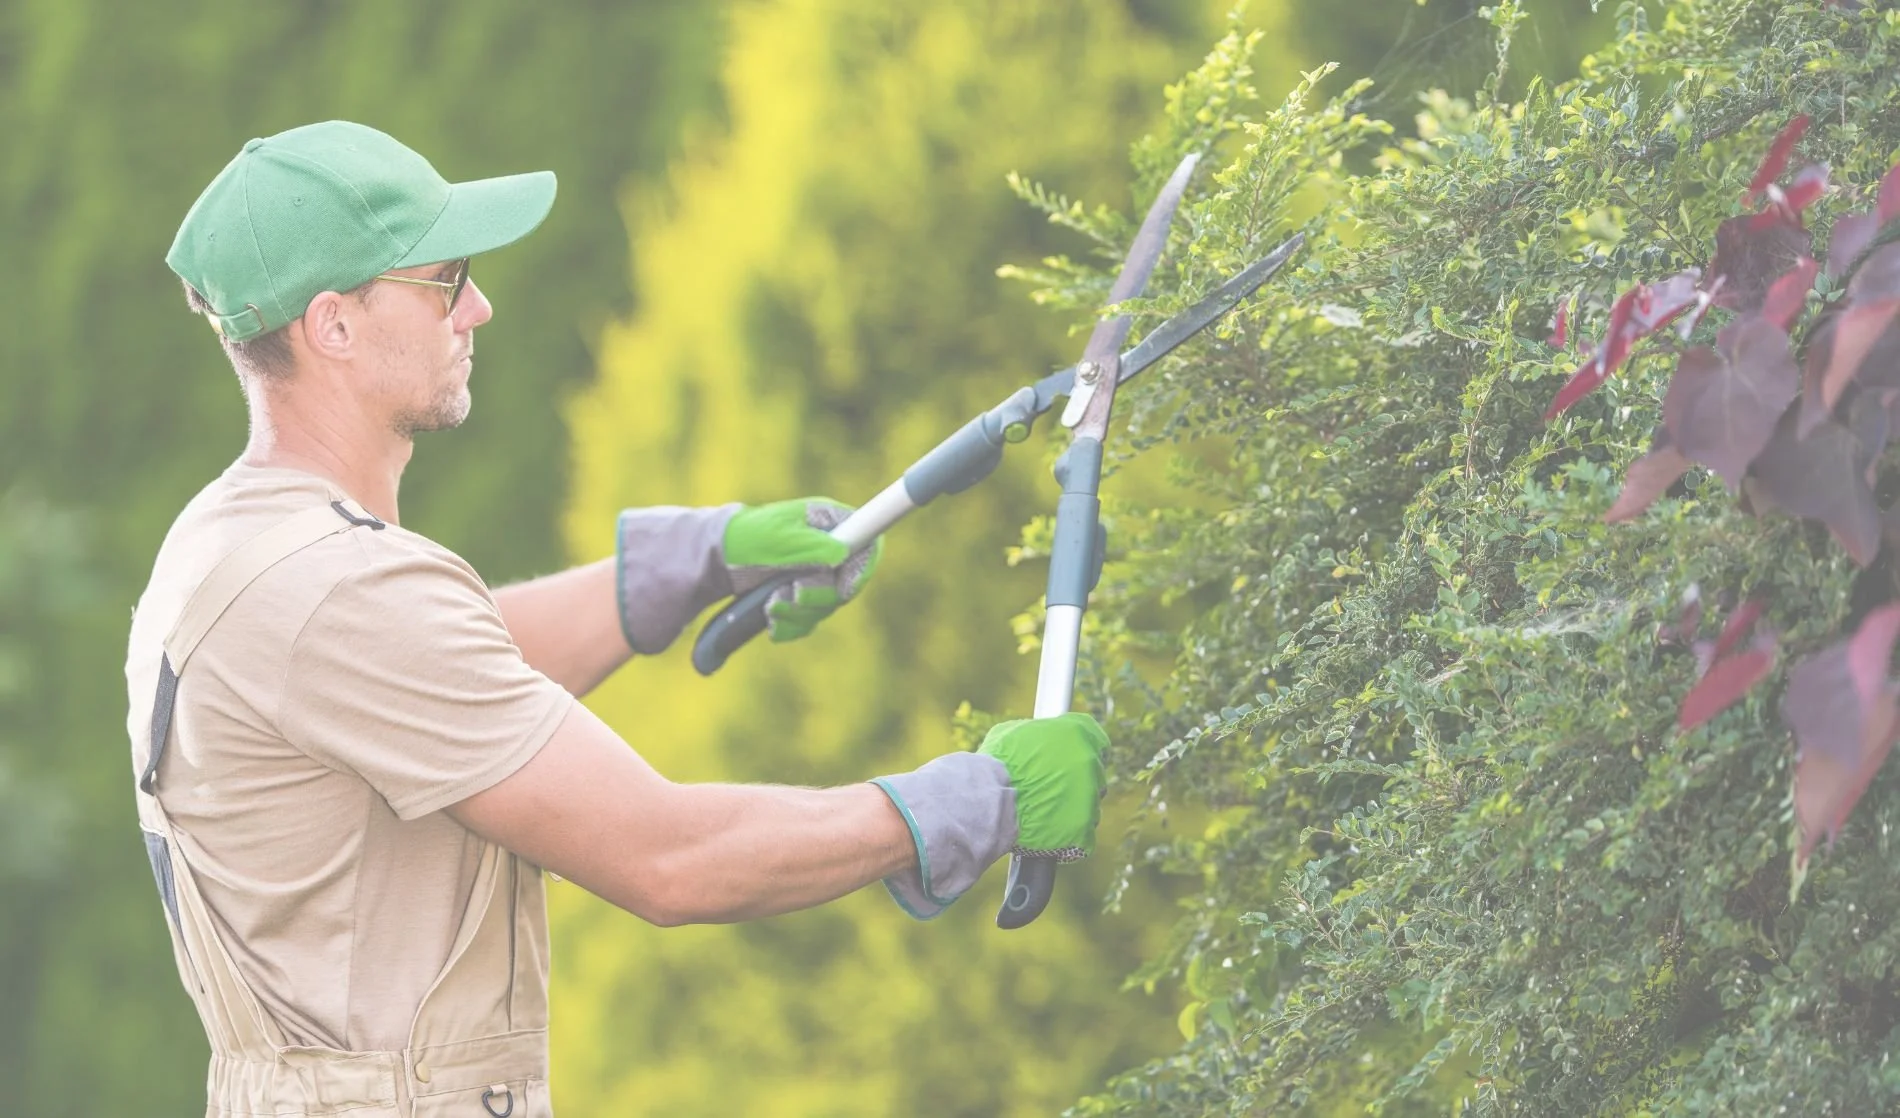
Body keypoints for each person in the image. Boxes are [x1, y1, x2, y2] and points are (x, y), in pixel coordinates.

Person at [127, 120, 1107, 1118]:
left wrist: (693, 561)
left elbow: (442, 676)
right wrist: (976, 799)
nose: (480, 308)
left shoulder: (234, 544)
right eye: (445, 279)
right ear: (332, 325)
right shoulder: (343, 593)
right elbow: (672, 857)